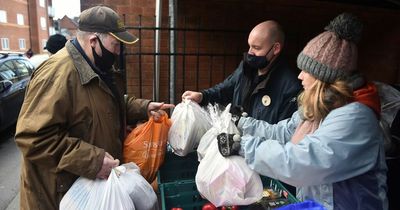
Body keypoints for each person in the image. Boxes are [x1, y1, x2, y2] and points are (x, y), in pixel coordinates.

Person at [218, 13, 388, 210]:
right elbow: (282, 132)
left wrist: (243, 147)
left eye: (307, 71)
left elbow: (304, 161)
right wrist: (241, 123)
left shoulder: (355, 117)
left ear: (324, 78)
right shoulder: (319, 107)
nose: (300, 76)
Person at [15, 5, 173, 209]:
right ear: (93, 41)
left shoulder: (97, 66)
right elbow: (33, 137)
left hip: (89, 190)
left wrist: (144, 107)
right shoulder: (57, 75)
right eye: (116, 45)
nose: (119, 52)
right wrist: (93, 161)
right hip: (61, 196)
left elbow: (108, 101)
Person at [182, 20, 302, 124]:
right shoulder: (246, 68)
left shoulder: (290, 87)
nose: (250, 52)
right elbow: (225, 89)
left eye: (256, 48)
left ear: (276, 48)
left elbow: (282, 133)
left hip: (259, 148)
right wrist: (202, 96)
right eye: (249, 46)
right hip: (235, 142)